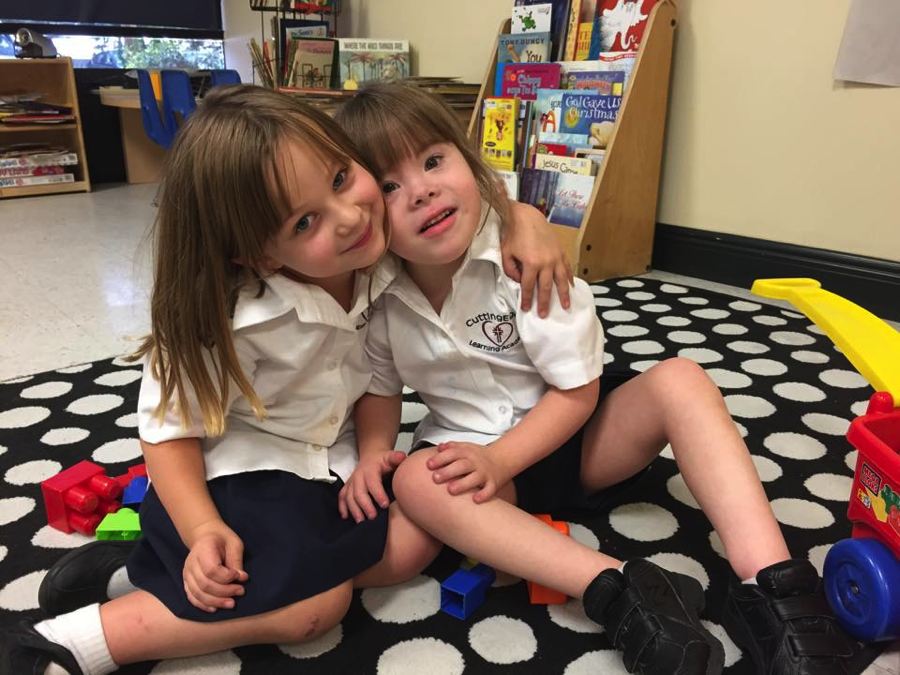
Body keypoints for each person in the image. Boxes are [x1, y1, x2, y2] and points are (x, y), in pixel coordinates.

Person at [1, 85, 571, 675]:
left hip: (331, 466)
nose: (351, 218)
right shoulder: (225, 321)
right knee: (315, 611)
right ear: (258, 255)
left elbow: (462, 192)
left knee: (410, 548)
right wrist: (201, 530)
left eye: (343, 176)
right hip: (242, 478)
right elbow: (167, 433)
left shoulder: (379, 253)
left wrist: (525, 220)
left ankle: (132, 575)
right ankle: (68, 640)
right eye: (304, 221)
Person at [333, 82, 865, 675]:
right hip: (471, 462)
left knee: (682, 378)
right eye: (388, 186)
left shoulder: (523, 261)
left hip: (574, 436)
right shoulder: (378, 297)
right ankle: (621, 592)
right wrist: (375, 455)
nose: (422, 190)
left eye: (433, 161)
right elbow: (380, 386)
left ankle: (774, 587)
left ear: (469, 159)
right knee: (415, 482)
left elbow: (578, 392)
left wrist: (504, 460)